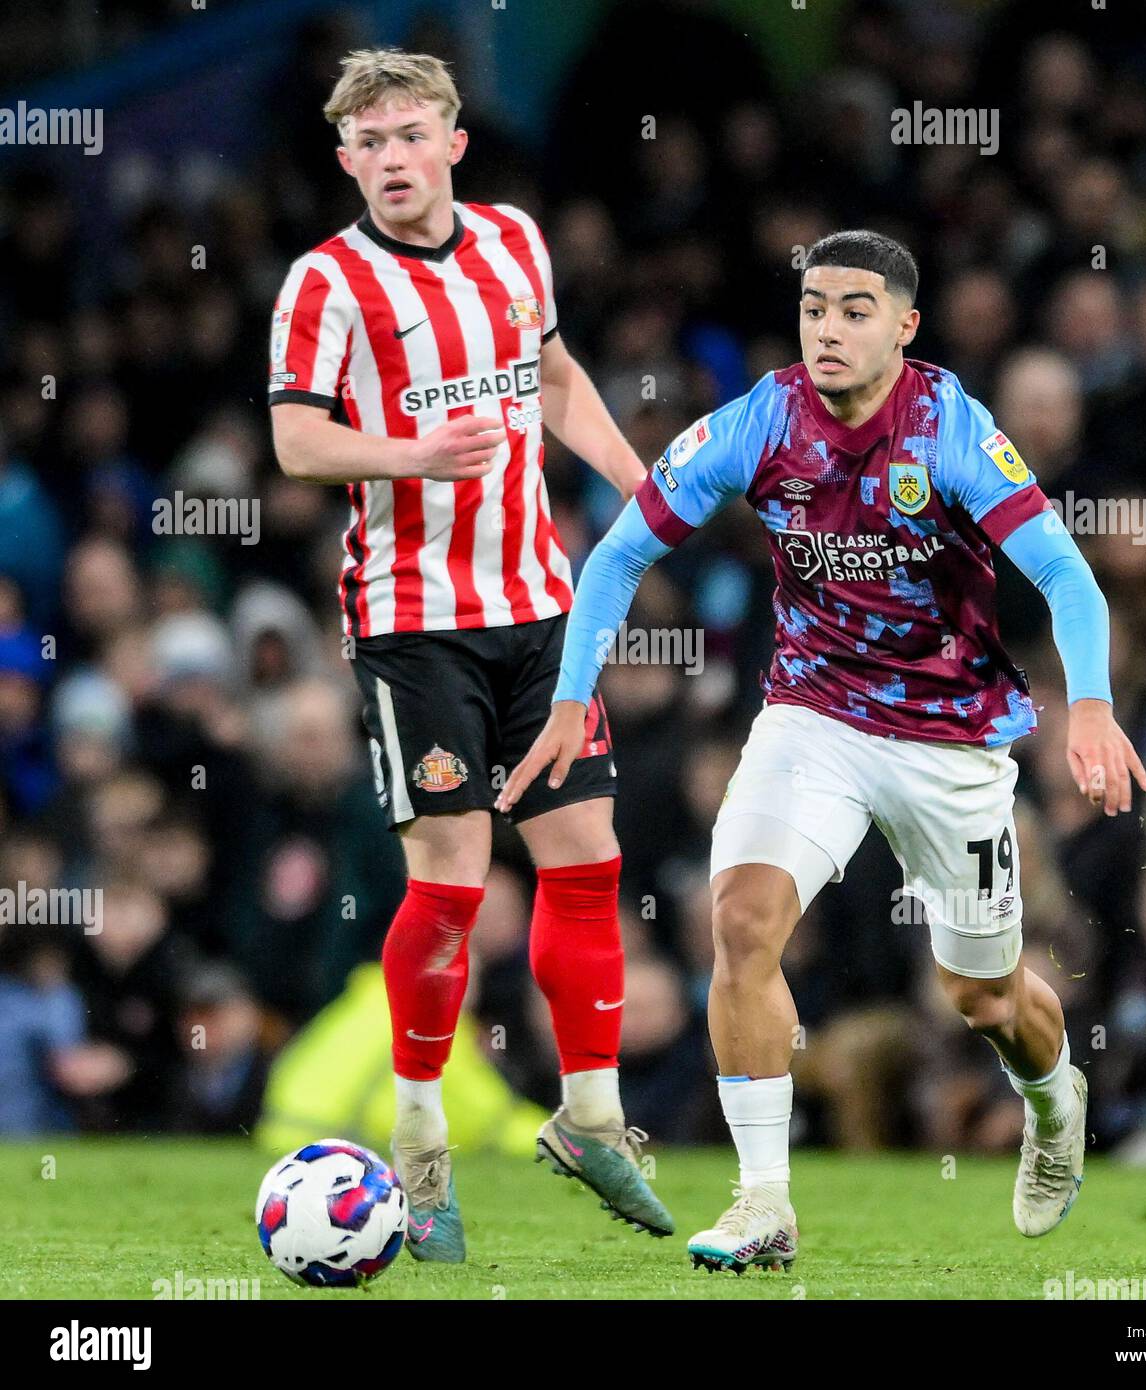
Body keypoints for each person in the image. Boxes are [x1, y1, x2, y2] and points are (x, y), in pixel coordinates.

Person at [500, 229, 1146, 1272]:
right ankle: (763, 1203)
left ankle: (1053, 1094)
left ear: (905, 325)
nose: (829, 329)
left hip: (951, 740)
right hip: (815, 716)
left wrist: (1090, 706)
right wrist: (574, 695)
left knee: (981, 994)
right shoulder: (760, 420)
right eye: (813, 307)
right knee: (742, 924)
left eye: (855, 309)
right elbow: (621, 549)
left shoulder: (948, 428)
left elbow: (1067, 578)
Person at [268, 48, 671, 1263]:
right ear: (347, 161)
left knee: (586, 859)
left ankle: (592, 1117)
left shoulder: (513, 242)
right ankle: (422, 1146)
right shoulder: (325, 282)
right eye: (369, 143)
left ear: (451, 140)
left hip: (539, 607)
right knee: (450, 880)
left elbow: (550, 378)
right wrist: (407, 456)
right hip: (412, 619)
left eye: (409, 135)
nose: (391, 159)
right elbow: (294, 442)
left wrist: (637, 484)